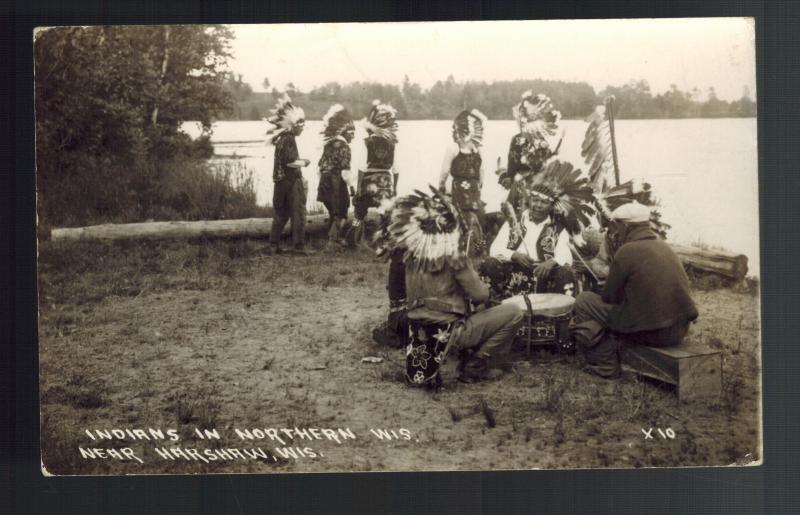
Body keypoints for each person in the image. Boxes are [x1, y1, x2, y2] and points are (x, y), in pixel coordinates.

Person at [384, 187, 525, 386]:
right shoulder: (454, 255)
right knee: (514, 312)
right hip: (449, 331)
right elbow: (480, 296)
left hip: (416, 329)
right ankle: (475, 366)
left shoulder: (410, 252)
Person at [569, 202, 699, 378]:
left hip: (654, 334)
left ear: (625, 226)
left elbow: (609, 297)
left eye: (615, 226)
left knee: (584, 301)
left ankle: (605, 365)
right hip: (680, 331)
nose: (614, 231)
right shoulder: (665, 247)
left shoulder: (627, 251)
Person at [480, 159, 594, 300]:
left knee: (565, 272)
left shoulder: (557, 228)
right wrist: (514, 255)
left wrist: (552, 262)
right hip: (511, 277)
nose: (538, 205)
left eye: (544, 202)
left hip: (543, 279)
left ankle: (557, 316)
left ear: (551, 206)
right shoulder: (513, 223)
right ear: (530, 201)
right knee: (489, 263)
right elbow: (495, 248)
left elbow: (565, 254)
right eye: (535, 200)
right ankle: (493, 306)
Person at [497, 92, 564, 220]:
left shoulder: (517, 139)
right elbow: (553, 166)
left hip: (522, 186)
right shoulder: (546, 140)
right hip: (543, 191)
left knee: (515, 218)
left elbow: (512, 169)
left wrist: (507, 176)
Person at [266, 95, 314, 256]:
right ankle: (299, 246)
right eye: (301, 125)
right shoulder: (289, 139)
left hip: (280, 183)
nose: (302, 128)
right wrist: (305, 162)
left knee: (281, 214)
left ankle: (274, 245)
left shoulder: (281, 139)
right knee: (298, 213)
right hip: (291, 181)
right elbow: (290, 163)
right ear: (293, 125)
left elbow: (285, 161)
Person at [351, 100, 400, 245]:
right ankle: (385, 240)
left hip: (369, 181)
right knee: (385, 211)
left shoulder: (368, 142)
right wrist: (395, 187)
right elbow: (396, 168)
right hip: (386, 182)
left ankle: (355, 239)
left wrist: (359, 187)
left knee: (359, 210)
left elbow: (361, 166)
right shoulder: (392, 143)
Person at [439, 109, 488, 253]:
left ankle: (462, 249)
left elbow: (444, 171)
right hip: (474, 189)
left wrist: (441, 186)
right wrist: (478, 186)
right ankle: (479, 249)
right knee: (476, 217)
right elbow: (482, 172)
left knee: (460, 218)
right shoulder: (477, 149)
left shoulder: (453, 148)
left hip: (459, 189)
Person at [317, 104, 355, 250]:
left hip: (324, 182)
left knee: (334, 212)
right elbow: (345, 172)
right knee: (342, 211)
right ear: (344, 131)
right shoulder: (345, 147)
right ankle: (333, 241)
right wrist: (352, 188)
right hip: (336, 183)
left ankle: (333, 238)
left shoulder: (329, 145)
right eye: (351, 132)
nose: (353, 135)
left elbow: (320, 165)